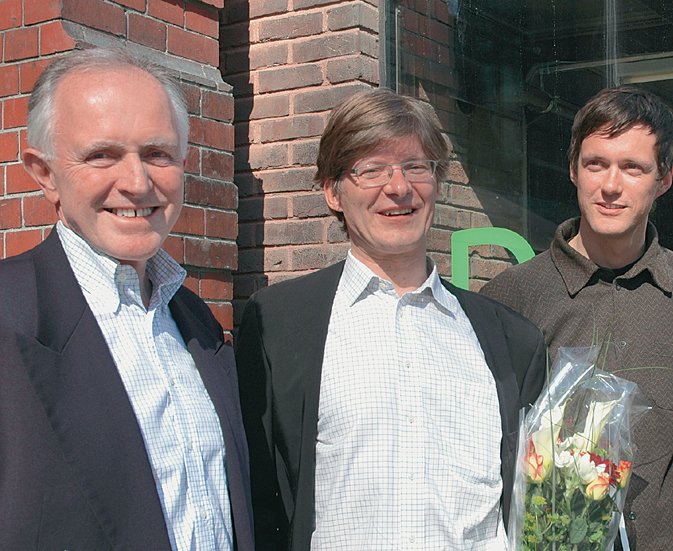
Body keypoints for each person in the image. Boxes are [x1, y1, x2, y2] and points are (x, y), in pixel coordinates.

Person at [235, 88, 547, 551]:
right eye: (371, 169)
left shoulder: (510, 339)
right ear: (332, 190)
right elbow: (257, 498)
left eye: (416, 166)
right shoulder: (278, 325)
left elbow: (535, 506)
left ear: (437, 182)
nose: (398, 187)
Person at [0, 47, 253, 550]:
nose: (138, 183)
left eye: (157, 153)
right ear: (44, 173)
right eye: (102, 155)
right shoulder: (9, 316)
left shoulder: (195, 321)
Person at [480, 85, 673, 550]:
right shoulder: (508, 299)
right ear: (573, 170)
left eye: (633, 167)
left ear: (664, 179)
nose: (610, 185)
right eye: (596, 163)